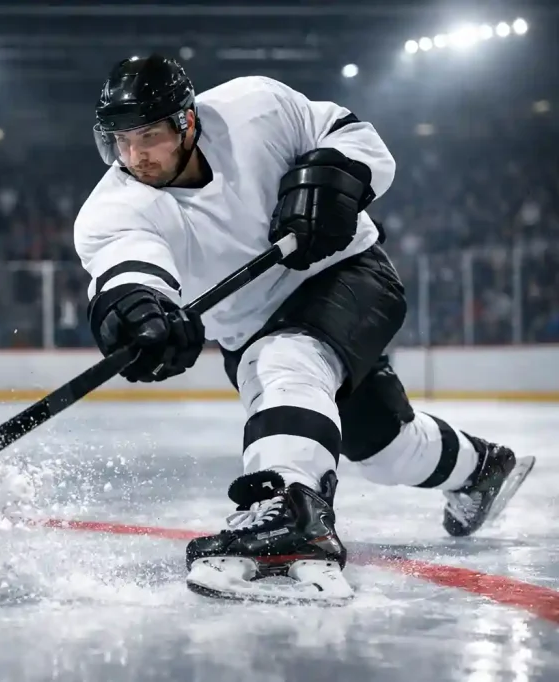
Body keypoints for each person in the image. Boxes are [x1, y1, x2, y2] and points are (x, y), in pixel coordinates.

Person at [74, 54, 536, 603]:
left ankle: (294, 516)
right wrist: (138, 310)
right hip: (249, 326)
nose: (134, 156)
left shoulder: (254, 106)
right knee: (382, 448)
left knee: (287, 360)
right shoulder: (111, 209)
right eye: (119, 141)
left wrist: (337, 176)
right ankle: (481, 469)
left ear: (187, 121)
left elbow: (354, 137)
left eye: (147, 135)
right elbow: (128, 267)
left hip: (348, 274)